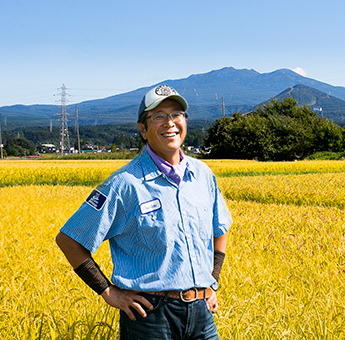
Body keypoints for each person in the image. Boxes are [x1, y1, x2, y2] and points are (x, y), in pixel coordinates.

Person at [55, 84, 233, 340]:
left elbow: (220, 228)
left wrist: (212, 281)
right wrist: (109, 292)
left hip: (202, 314)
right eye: (158, 116)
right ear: (143, 129)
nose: (169, 123)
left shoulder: (203, 175)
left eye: (176, 114)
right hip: (150, 317)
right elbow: (69, 239)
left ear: (185, 122)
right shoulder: (124, 183)